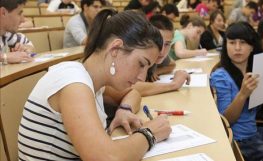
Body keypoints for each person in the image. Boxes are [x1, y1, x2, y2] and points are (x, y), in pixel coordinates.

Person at [18, 9, 171, 160]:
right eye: (141, 64)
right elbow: (105, 158)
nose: (142, 77)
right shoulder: (73, 82)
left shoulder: (94, 81)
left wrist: (125, 109)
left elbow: (132, 93)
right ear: (115, 49)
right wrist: (150, 133)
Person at [210, 22, 263, 161]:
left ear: (251, 47)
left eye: (242, 42)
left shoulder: (257, 70)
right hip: (240, 141)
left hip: (255, 133)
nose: (237, 48)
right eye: (232, 42)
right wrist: (243, 94)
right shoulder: (220, 76)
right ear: (226, 46)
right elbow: (226, 121)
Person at [133, 14, 190, 96]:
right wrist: (174, 84)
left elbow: (172, 64)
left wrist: (155, 71)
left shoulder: (157, 56)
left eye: (167, 44)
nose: (162, 51)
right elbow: (132, 87)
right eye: (158, 42)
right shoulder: (137, 55)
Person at [0, 0, 34, 64]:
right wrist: (4, 57)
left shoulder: (5, 33)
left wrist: (25, 48)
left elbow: (29, 44)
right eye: (19, 13)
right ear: (3, 12)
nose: (22, 19)